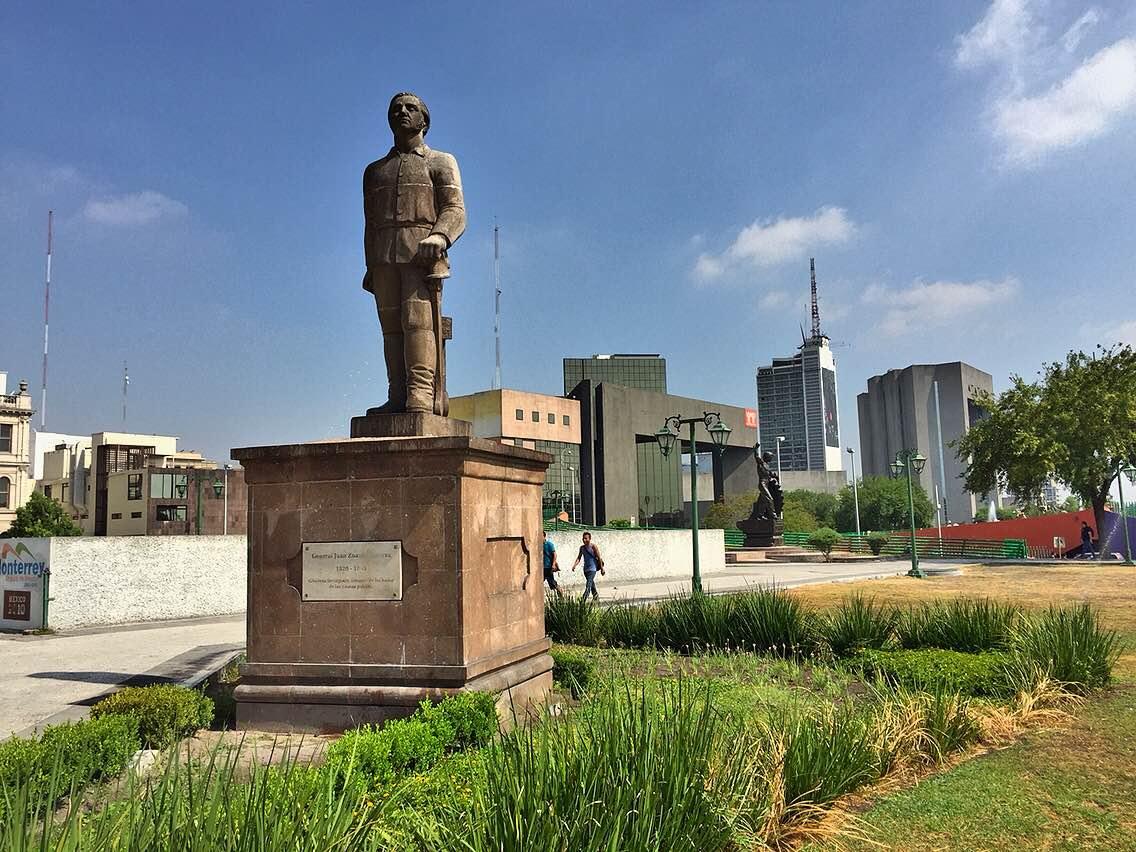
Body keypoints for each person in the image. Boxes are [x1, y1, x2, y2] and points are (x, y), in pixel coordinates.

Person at [362, 92, 466, 414]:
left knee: (417, 323)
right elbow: (370, 223)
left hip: (421, 256)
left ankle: (420, 394)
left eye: (410, 108)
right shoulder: (375, 171)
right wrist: (370, 266)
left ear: (425, 120)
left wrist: (439, 236)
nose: (402, 112)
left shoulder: (440, 162)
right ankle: (397, 394)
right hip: (383, 260)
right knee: (391, 328)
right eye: (396, 109)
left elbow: (455, 210)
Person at [571, 531, 604, 602]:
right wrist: (574, 565)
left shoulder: (593, 546)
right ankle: (596, 596)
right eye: (583, 538)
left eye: (586, 538)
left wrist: (602, 569)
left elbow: (599, 557)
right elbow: (579, 557)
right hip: (586, 569)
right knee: (591, 583)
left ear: (590, 539)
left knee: (588, 585)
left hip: (593, 569)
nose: (584, 540)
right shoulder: (582, 548)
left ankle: (583, 600)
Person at [542, 530, 563, 598]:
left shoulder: (549, 544)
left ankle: (561, 594)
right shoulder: (539, 545)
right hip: (542, 568)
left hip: (548, 567)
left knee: (552, 583)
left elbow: (554, 554)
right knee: (538, 583)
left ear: (544, 536)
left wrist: (553, 564)